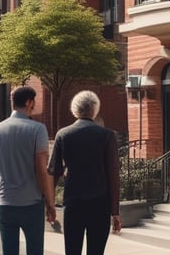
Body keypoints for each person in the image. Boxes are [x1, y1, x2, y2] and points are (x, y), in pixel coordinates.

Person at [47, 90, 121, 255]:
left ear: (74, 109)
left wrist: (50, 204)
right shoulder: (107, 136)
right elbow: (113, 174)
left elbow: (53, 172)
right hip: (100, 204)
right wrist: (115, 212)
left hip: (73, 203)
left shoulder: (63, 134)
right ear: (95, 110)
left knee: (72, 251)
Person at [0, 86, 56, 255]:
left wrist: (6, 174)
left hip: (5, 202)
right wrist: (50, 203)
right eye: (34, 102)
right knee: (35, 251)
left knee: (9, 251)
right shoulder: (38, 129)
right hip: (31, 203)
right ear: (28, 102)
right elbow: (41, 170)